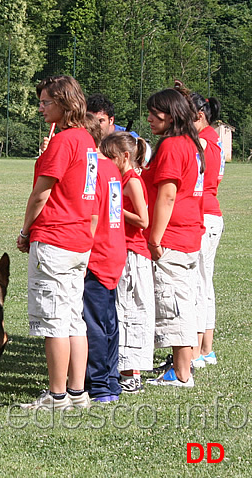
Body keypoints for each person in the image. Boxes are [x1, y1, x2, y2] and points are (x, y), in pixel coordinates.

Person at [17, 75, 97, 411]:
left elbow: (42, 194)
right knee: (73, 318)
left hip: (56, 238)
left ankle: (57, 395)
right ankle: (78, 393)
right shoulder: (88, 140)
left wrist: (24, 231)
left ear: (64, 103)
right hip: (78, 238)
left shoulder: (64, 141)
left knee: (54, 321)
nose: (41, 107)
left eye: (46, 102)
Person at [142, 87, 205, 388]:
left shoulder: (171, 146)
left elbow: (167, 196)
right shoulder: (191, 143)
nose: (151, 118)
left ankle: (182, 374)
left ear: (172, 114)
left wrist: (154, 239)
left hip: (173, 238)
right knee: (184, 301)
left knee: (173, 303)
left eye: (157, 112)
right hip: (189, 232)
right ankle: (183, 367)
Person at [100, 131, 153, 394]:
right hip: (123, 249)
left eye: (110, 157)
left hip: (134, 252)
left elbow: (143, 220)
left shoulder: (132, 180)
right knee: (120, 310)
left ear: (125, 156)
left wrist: (115, 207)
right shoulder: (120, 178)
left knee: (131, 310)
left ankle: (133, 373)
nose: (107, 163)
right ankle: (121, 368)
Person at [81, 115, 127, 403]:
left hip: (97, 254)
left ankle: (98, 386)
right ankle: (111, 379)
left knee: (94, 323)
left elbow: (93, 216)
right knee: (109, 321)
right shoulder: (111, 166)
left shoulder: (93, 168)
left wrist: (82, 251)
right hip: (114, 250)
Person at [188, 92, 224, 368]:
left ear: (199, 115)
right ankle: (205, 348)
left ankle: (197, 351)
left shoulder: (203, 141)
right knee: (204, 283)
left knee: (198, 285)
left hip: (204, 214)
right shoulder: (213, 138)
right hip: (212, 213)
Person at [87, 93, 152, 162]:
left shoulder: (129, 138)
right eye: (92, 121)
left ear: (111, 120)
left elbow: (146, 160)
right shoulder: (83, 137)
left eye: (101, 121)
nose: (96, 125)